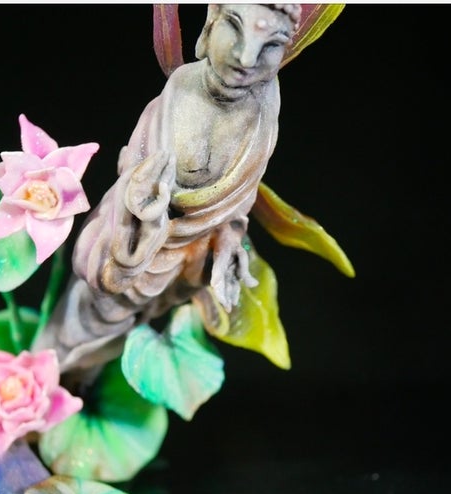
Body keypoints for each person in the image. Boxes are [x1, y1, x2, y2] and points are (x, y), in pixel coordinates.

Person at [34, 4, 301, 374]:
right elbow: (134, 167)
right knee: (84, 322)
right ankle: (38, 378)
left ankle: (74, 385)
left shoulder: (263, 113)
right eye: (234, 28)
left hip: (181, 261)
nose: (246, 58)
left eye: (271, 44)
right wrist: (142, 209)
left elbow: (239, 202)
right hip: (129, 243)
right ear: (209, 25)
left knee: (124, 334)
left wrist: (229, 240)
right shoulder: (182, 88)